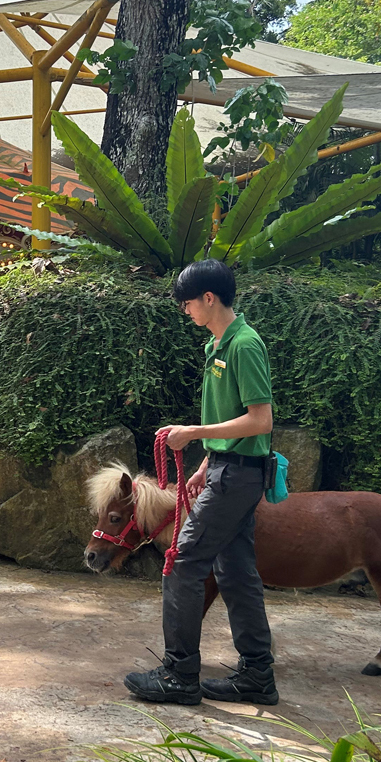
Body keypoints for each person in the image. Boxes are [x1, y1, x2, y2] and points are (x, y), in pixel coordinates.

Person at [124, 259, 278, 706]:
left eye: (188, 302)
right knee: (235, 570)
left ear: (209, 298)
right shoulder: (219, 345)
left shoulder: (244, 346)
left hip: (239, 476)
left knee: (183, 561)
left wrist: (194, 434)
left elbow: (260, 420)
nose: (185, 310)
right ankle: (256, 675)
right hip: (229, 470)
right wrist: (206, 462)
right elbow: (232, 417)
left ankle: (179, 674)